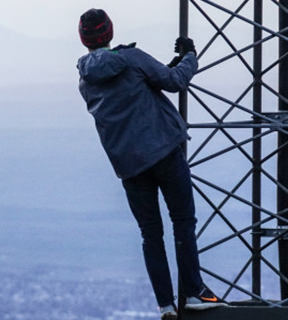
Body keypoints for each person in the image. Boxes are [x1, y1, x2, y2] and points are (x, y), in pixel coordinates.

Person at [76, 8, 227, 320]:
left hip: (130, 166)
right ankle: (196, 292)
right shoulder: (131, 57)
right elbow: (174, 83)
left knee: (150, 233)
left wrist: (163, 69)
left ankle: (166, 304)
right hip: (164, 151)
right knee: (183, 221)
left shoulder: (85, 80)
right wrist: (190, 56)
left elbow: (131, 92)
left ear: (84, 40)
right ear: (110, 31)